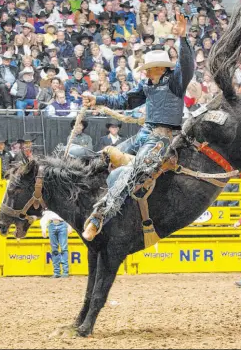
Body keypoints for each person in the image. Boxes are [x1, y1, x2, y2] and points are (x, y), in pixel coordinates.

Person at [81, 14, 193, 241]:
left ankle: (98, 217)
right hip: (145, 135)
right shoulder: (147, 86)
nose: (144, 71)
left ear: (160, 68)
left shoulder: (175, 81)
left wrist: (183, 38)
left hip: (163, 138)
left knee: (135, 172)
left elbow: (187, 65)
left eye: (148, 68)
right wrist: (98, 100)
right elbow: (125, 100)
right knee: (104, 158)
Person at [41, 210, 70, 278]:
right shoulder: (48, 205)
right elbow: (45, 216)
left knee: (63, 248)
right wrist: (43, 229)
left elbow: (67, 213)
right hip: (52, 224)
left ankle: (65, 272)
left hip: (62, 224)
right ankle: (57, 272)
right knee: (55, 249)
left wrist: (69, 226)